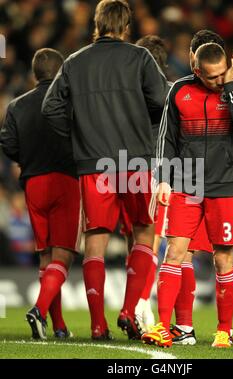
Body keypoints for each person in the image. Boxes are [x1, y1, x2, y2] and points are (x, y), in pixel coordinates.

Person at [42, 0, 168, 340]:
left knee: (94, 242)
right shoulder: (140, 58)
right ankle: (128, 310)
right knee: (143, 232)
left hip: (93, 163)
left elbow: (50, 108)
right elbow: (163, 102)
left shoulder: (74, 62)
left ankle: (98, 325)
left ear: (96, 24)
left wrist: (77, 137)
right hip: (135, 160)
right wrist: (143, 123)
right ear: (126, 26)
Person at [142, 42, 233, 348]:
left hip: (225, 187)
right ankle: (162, 326)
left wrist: (231, 86)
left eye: (222, 73)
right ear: (196, 71)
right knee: (174, 252)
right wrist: (163, 179)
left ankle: (224, 330)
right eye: (211, 77)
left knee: (224, 258)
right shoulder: (179, 91)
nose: (218, 81)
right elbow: (166, 138)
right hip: (187, 185)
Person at [0, 48, 81, 340]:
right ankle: (39, 309)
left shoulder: (18, 105)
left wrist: (27, 159)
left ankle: (57, 326)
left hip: (33, 183)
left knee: (46, 257)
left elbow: (7, 144)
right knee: (64, 256)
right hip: (65, 181)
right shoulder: (70, 103)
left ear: (35, 74)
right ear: (62, 73)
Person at [119, 35, 170, 336]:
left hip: (121, 169)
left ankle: (133, 304)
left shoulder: (127, 88)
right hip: (152, 169)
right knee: (150, 240)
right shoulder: (164, 91)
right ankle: (140, 303)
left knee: (133, 243)